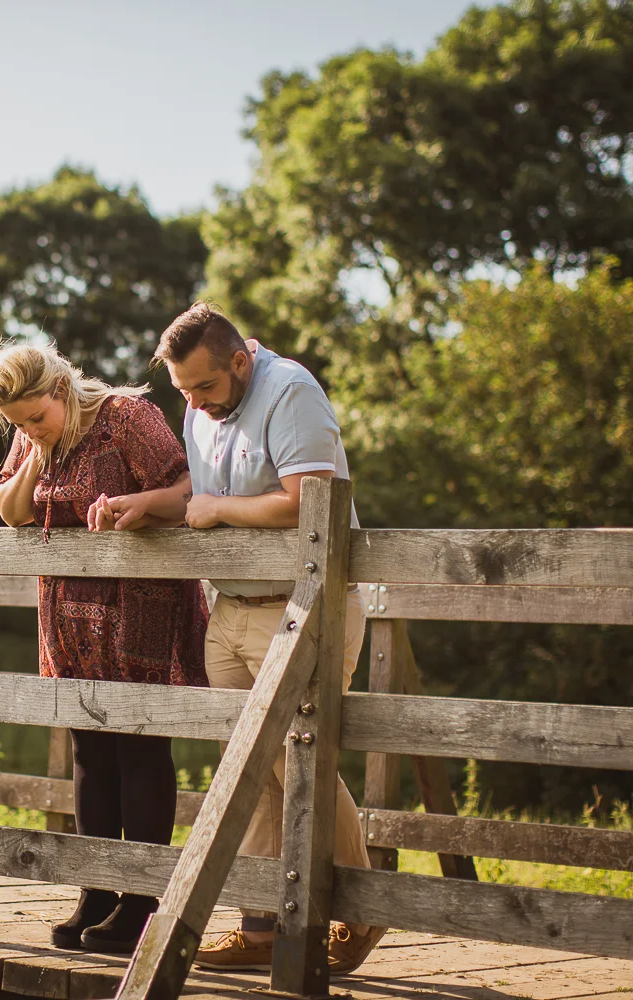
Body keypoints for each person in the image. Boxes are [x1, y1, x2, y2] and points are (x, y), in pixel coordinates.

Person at [86, 302, 386, 975]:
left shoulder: (293, 393)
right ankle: (256, 927)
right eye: (183, 391)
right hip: (231, 609)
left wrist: (215, 510)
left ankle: (362, 907)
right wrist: (149, 504)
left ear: (240, 362)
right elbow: (200, 487)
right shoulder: (202, 403)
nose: (193, 402)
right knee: (248, 770)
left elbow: (308, 497)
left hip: (305, 605)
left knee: (294, 752)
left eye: (205, 388)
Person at [0, 341, 208, 954]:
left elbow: (188, 489)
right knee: (89, 750)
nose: (29, 427)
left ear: (61, 390)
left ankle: (140, 901)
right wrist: (34, 451)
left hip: (138, 608)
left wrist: (136, 504)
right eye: (18, 422)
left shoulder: (127, 417)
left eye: (37, 416)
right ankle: (96, 892)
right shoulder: (32, 437)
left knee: (138, 750)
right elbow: (10, 511)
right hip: (70, 616)